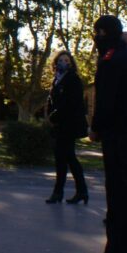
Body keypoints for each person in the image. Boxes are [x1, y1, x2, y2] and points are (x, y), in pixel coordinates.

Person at [88, 15, 127, 253]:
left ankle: (121, 250)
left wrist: (96, 127)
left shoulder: (111, 59)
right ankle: (121, 249)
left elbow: (106, 100)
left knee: (119, 194)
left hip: (117, 134)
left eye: (98, 32)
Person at [45, 50, 88, 204]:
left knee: (66, 157)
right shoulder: (56, 79)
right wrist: (50, 114)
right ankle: (76, 191)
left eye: (67, 60)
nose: (64, 62)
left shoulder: (73, 79)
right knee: (64, 158)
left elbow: (72, 103)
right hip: (59, 125)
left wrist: (55, 116)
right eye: (61, 60)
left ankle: (64, 192)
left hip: (69, 125)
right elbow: (52, 100)